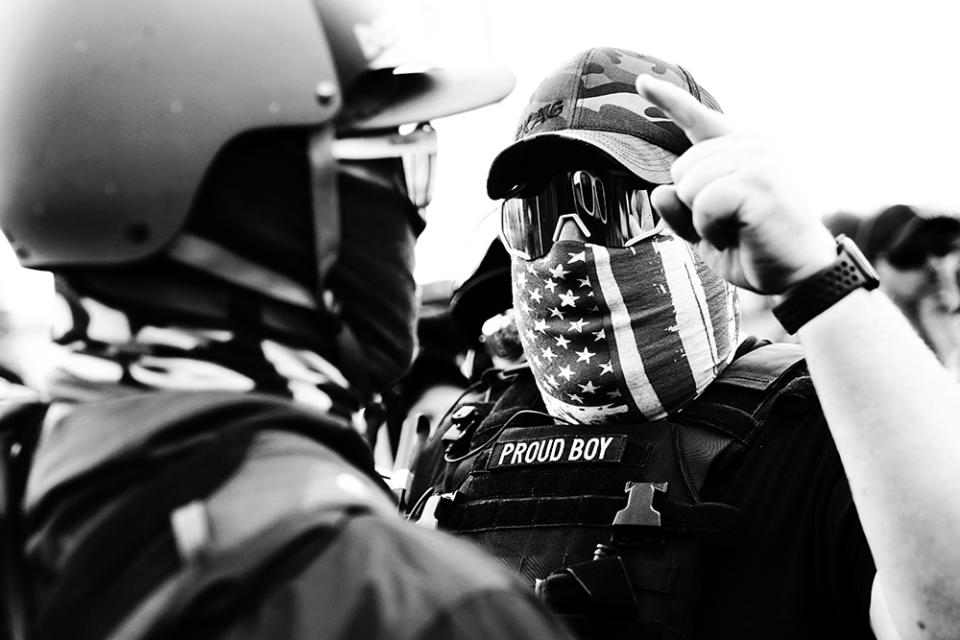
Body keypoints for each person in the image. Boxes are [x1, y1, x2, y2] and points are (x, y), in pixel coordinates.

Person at [0, 2, 578, 639]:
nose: (414, 221)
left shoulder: (33, 492)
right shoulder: (418, 608)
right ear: (265, 209)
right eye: (401, 167)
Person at [413, 46, 960, 640]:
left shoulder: (823, 429)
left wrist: (816, 277)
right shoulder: (465, 437)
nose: (569, 249)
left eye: (618, 206)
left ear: (703, 215)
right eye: (535, 216)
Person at [857, 204, 960, 372]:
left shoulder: (937, 312)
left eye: (937, 250)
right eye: (913, 253)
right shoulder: (867, 334)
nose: (931, 265)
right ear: (878, 262)